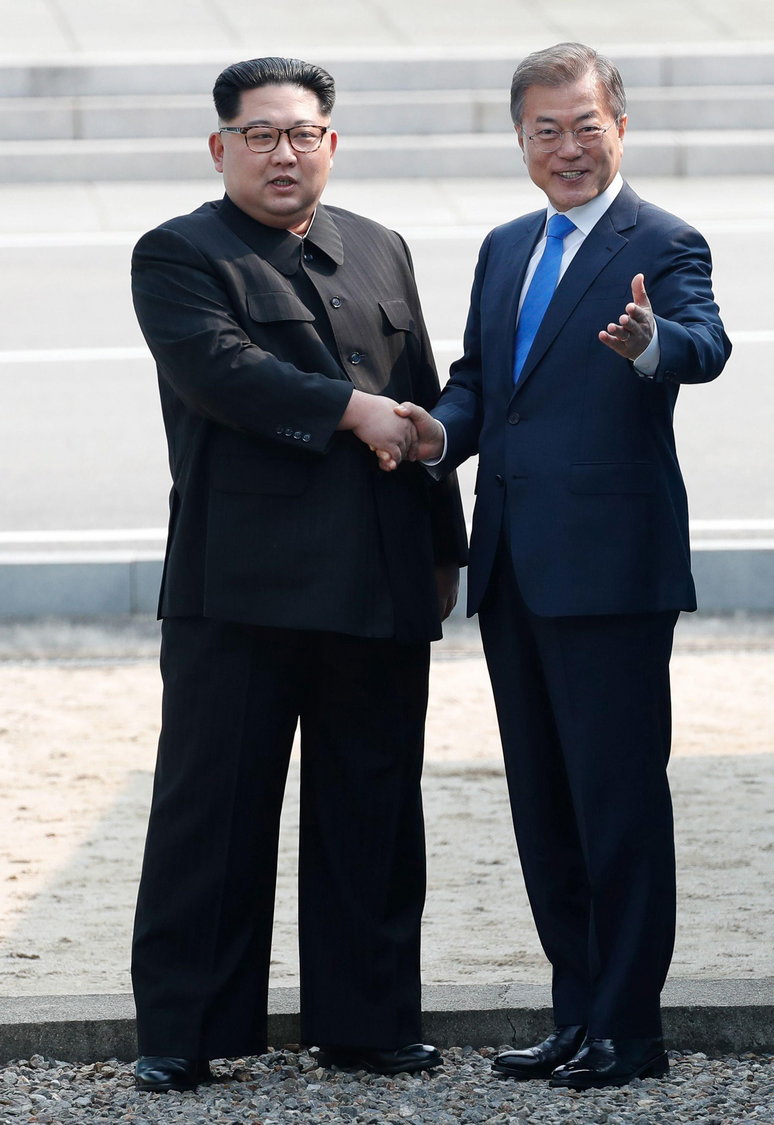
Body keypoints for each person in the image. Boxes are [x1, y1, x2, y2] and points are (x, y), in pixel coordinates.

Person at [392, 42, 731, 1090]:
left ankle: (630, 1028)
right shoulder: (505, 247)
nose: (570, 147)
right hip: (514, 571)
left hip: (612, 574)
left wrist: (647, 345)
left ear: (619, 126)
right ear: (522, 141)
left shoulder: (662, 239)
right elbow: (485, 385)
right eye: (548, 130)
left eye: (587, 125)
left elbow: (703, 343)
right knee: (544, 805)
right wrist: (436, 435)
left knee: (618, 803)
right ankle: (576, 1010)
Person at [129, 55, 467, 1093]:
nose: (285, 152)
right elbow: (224, 371)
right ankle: (185, 1030)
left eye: (303, 132)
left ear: (332, 141)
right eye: (262, 133)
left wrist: (438, 531)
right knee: (213, 811)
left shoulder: (378, 246)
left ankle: (367, 1021)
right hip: (242, 588)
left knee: (372, 806)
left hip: (375, 579)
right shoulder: (180, 253)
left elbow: (417, 397)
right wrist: (350, 412)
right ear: (220, 145)